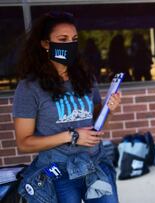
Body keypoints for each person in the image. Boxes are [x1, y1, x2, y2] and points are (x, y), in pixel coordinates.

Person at [13, 11, 120, 203]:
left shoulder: (85, 77)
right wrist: (72, 136)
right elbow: (24, 142)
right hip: (59, 172)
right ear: (45, 44)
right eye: (63, 39)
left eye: (74, 39)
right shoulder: (30, 87)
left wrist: (108, 109)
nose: (70, 44)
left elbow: (95, 124)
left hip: (95, 166)